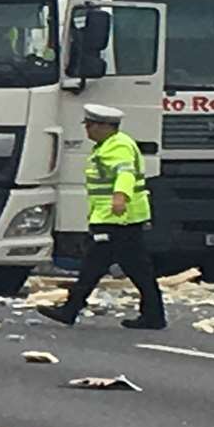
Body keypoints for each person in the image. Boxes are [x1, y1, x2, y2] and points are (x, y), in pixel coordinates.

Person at [40, 104, 167, 330]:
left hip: (117, 218)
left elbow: (125, 173)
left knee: (95, 265)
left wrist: (120, 196)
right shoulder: (108, 145)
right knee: (135, 269)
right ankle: (153, 315)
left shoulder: (116, 146)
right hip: (119, 218)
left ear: (104, 127)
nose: (87, 130)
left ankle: (71, 309)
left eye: (90, 125)